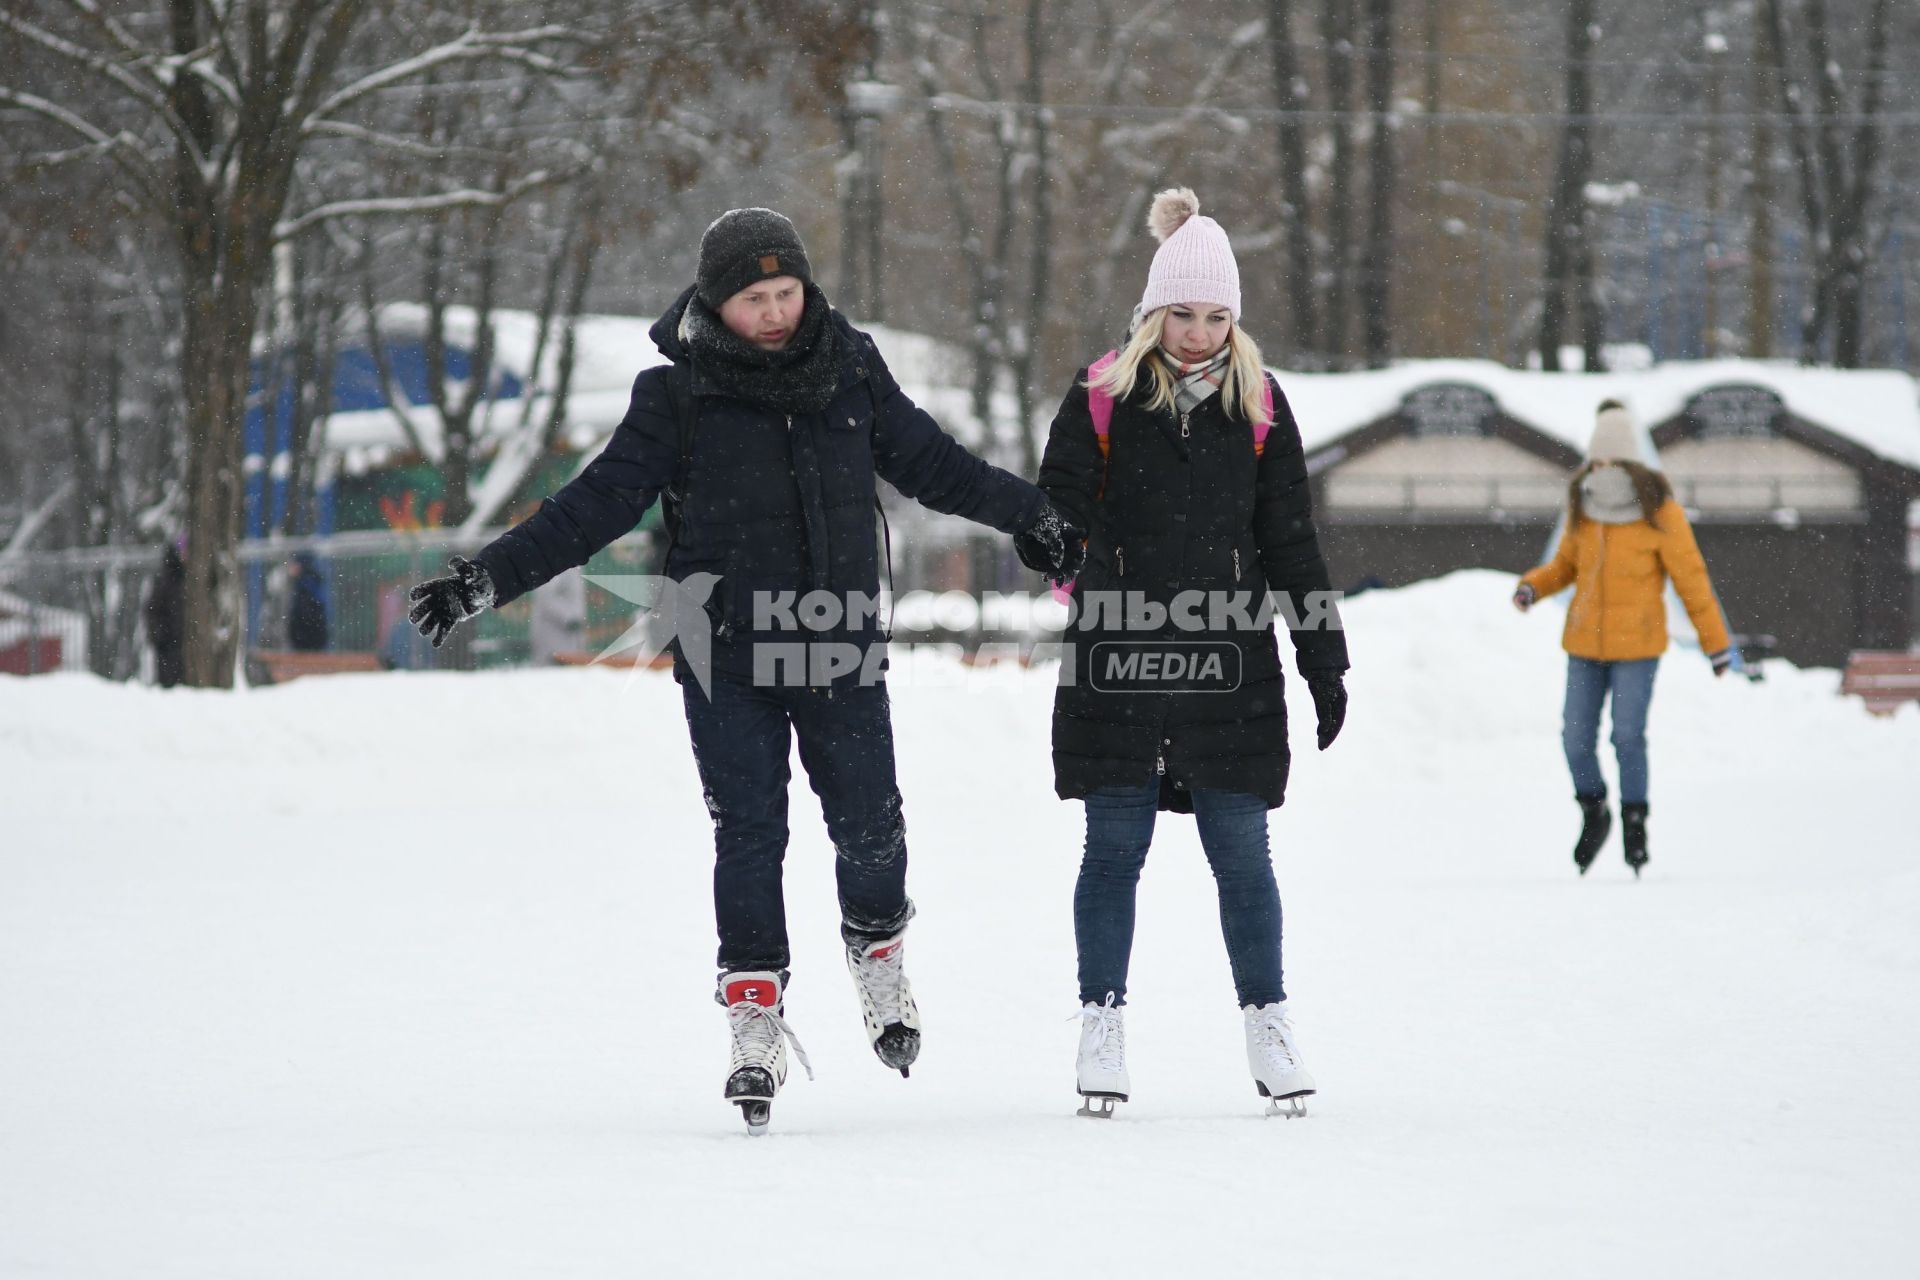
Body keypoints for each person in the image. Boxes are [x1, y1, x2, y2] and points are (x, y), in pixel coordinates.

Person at [405, 208, 1083, 1133]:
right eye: (753, 299)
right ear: (716, 305)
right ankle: (755, 1009)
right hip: (723, 653)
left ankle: (876, 952)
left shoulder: (852, 368)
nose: (773, 313)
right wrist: (491, 574)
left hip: (837, 640)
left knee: (871, 828)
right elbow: (594, 505)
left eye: (786, 292)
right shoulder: (675, 397)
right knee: (750, 834)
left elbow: (934, 465)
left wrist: (1028, 514)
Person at [1032, 189, 1349, 1119]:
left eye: (1218, 316)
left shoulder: (1260, 407)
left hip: (1230, 663)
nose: (1201, 332)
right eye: (1184, 313)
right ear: (1150, 313)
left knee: (1243, 854)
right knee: (1114, 847)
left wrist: (1323, 657)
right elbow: (1056, 504)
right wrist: (1051, 541)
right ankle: (1102, 1020)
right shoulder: (1100, 397)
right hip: (1117, 656)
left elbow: (1292, 541)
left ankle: (1268, 1021)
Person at [1513, 399, 1733, 877]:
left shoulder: (1660, 513)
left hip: (1638, 647)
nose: (1605, 469)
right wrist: (1534, 584)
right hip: (1583, 645)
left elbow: (1691, 581)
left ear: (1632, 463)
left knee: (1627, 736)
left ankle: (1635, 821)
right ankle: (1595, 811)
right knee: (1575, 739)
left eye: (1614, 461)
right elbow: (1566, 565)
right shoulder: (1584, 506)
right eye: (1599, 461)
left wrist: (1716, 644)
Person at [145, 540, 187, 688]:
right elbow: (152, 610)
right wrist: (160, 635)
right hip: (169, 644)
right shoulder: (167, 578)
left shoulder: (190, 577)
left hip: (183, 643)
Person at [287, 553, 330, 652]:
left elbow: (306, 612)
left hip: (307, 638)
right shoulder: (306, 582)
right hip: (308, 638)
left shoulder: (307, 583)